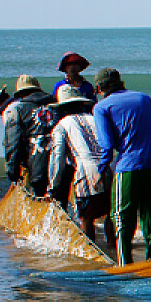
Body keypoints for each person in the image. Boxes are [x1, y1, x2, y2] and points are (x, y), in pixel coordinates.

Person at [92, 67, 151, 264]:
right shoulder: (143, 98)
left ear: (100, 87)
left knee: (121, 217)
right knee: (148, 213)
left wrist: (101, 169)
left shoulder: (102, 108)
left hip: (127, 167)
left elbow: (107, 145)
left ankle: (125, 264)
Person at [45, 85, 108, 244]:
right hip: (108, 167)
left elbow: (57, 158)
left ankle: (93, 251)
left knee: (86, 216)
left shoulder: (61, 126)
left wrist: (54, 185)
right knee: (109, 212)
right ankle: (115, 248)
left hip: (86, 172)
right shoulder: (94, 118)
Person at [0, 76, 53, 186]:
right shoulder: (58, 104)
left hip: (37, 171)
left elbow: (13, 143)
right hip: (64, 170)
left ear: (20, 94)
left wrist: (13, 172)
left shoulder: (18, 110)